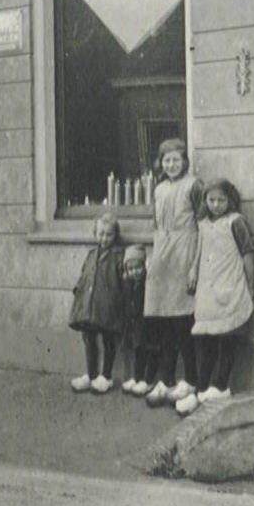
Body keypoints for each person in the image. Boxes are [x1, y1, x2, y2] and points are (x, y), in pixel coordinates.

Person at [175, 178, 254, 416]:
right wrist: (193, 270)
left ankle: (220, 386)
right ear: (205, 200)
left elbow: (248, 253)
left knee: (226, 338)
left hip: (229, 286)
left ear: (230, 200)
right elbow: (200, 250)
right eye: (212, 200)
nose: (216, 205)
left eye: (221, 200)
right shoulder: (203, 223)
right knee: (206, 340)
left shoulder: (236, 222)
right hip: (208, 290)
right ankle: (201, 389)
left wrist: (251, 285)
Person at [143, 137, 202, 408]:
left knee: (183, 319)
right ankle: (165, 380)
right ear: (161, 163)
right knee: (164, 319)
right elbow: (155, 224)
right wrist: (153, 257)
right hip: (163, 252)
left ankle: (190, 379)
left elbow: (202, 226)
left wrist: (195, 266)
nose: (171, 164)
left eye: (176, 159)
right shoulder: (159, 189)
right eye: (166, 160)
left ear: (184, 162)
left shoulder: (194, 185)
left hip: (184, 250)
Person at [68, 210, 124, 393]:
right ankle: (91, 374)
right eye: (101, 234)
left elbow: (121, 281)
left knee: (108, 339)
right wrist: (78, 289)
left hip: (107, 306)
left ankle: (106, 376)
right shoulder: (91, 254)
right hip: (90, 306)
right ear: (95, 233)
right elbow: (84, 274)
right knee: (89, 339)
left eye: (109, 235)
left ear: (115, 235)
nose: (104, 238)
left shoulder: (118, 256)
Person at [120, 244, 159, 396]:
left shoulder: (147, 283)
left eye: (138, 267)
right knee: (139, 352)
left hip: (149, 324)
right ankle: (138, 378)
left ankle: (149, 380)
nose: (135, 272)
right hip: (136, 325)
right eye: (130, 269)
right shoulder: (129, 284)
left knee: (151, 351)